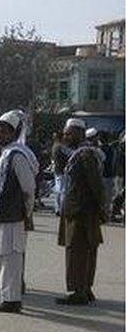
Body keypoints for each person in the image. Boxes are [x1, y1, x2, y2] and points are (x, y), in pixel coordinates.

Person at [0, 111, 38, 313]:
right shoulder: (6, 154)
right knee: (3, 257)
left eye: (2, 132)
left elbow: (28, 189)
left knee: (11, 260)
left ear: (12, 133)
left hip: (13, 216)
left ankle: (11, 300)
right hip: (2, 215)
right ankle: (7, 296)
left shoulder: (17, 155)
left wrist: (27, 214)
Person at [56, 118, 106, 305]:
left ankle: (80, 292)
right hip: (78, 211)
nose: (65, 136)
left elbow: (97, 186)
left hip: (81, 213)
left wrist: (102, 209)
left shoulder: (85, 155)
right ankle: (85, 289)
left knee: (78, 253)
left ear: (79, 133)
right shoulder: (79, 154)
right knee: (83, 252)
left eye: (69, 133)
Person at [51, 130, 71, 216]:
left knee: (58, 191)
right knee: (63, 191)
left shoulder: (54, 146)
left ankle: (57, 208)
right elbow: (70, 154)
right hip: (63, 171)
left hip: (57, 170)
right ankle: (62, 209)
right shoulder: (61, 147)